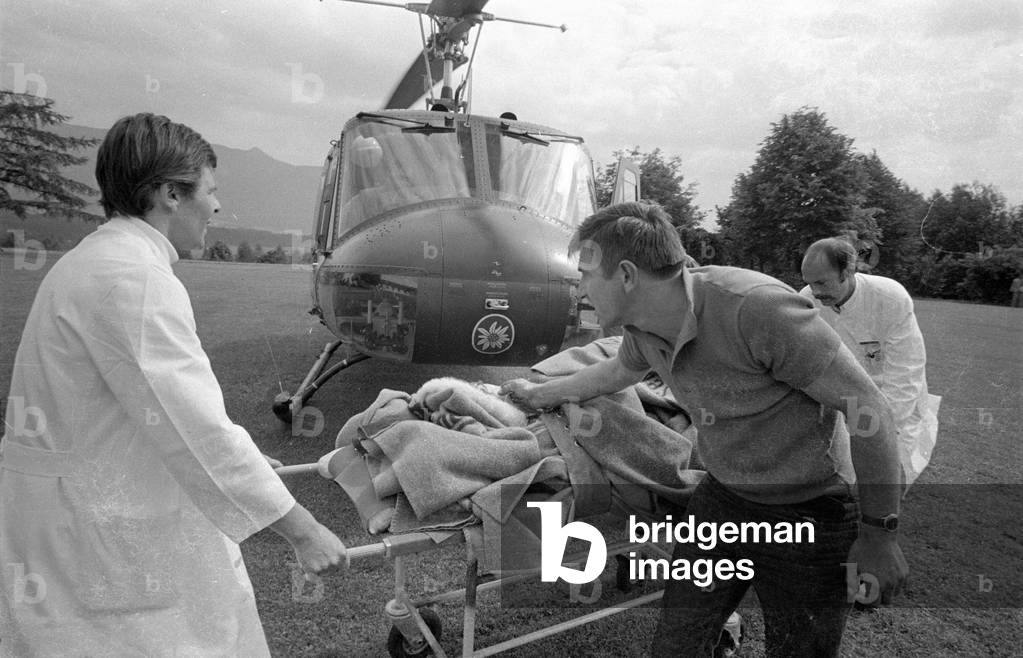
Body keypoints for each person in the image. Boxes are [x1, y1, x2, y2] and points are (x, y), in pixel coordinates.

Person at [0, 113, 346, 656]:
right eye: (210, 192)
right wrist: (303, 530)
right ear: (168, 195)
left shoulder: (96, 259)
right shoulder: (134, 279)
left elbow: (141, 413)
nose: (216, 207)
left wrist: (252, 468)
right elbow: (197, 429)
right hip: (100, 533)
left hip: (72, 514)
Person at [502, 202, 907, 657]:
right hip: (724, 499)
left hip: (811, 510)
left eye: (586, 276)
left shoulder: (756, 308)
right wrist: (539, 394)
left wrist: (879, 535)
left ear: (628, 276)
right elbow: (618, 372)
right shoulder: (642, 326)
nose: (580, 291)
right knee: (677, 644)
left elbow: (868, 409)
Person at [800, 237, 941, 490]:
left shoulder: (890, 298)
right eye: (810, 283)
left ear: (847, 271)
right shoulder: (807, 301)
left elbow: (905, 373)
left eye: (822, 282)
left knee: (890, 483)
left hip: (897, 402)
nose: (816, 292)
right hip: (844, 400)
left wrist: (881, 430)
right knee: (845, 480)